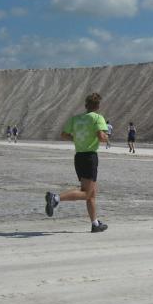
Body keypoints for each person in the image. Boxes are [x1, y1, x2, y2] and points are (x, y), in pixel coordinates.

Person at [45, 92, 109, 233]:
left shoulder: (75, 119)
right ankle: (56, 198)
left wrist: (76, 138)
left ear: (86, 105)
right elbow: (101, 136)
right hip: (90, 157)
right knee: (86, 193)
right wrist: (107, 136)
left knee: (91, 193)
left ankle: (95, 224)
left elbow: (64, 134)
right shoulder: (98, 118)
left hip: (79, 157)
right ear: (98, 106)